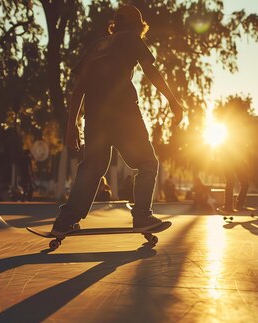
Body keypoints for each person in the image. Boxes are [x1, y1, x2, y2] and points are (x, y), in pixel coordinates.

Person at [50, 5, 183, 237]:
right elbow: (150, 71)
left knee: (92, 168)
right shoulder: (131, 38)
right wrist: (173, 101)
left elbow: (78, 89)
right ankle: (142, 216)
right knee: (147, 164)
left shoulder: (96, 46)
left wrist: (72, 127)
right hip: (124, 116)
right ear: (137, 26)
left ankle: (64, 221)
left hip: (95, 118)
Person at [220, 112, 250, 212]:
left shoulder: (235, 133)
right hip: (229, 161)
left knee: (244, 183)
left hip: (234, 161)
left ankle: (236, 205)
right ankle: (230, 206)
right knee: (232, 182)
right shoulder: (229, 133)